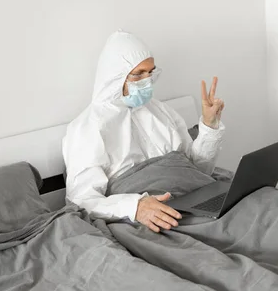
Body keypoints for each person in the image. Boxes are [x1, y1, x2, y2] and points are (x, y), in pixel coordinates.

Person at [62, 31, 225, 233]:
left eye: (150, 72)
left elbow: (198, 170)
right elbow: (82, 199)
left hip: (197, 195)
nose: (147, 81)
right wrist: (135, 207)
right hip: (160, 216)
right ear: (115, 76)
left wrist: (209, 126)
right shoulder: (87, 128)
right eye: (138, 74)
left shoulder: (161, 111)